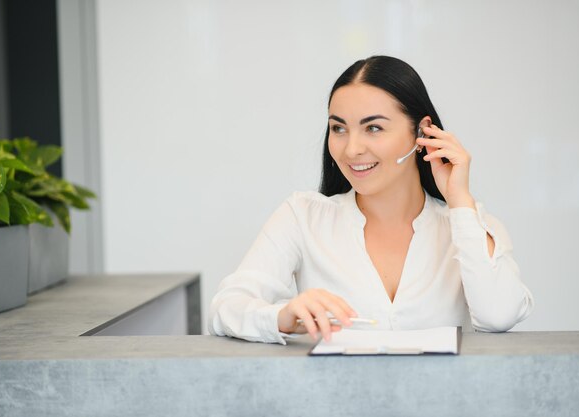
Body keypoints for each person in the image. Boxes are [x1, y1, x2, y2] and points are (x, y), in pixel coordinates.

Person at [209, 55, 534, 344]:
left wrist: (459, 199)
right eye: (338, 129)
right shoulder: (303, 216)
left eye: (373, 128)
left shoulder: (469, 226)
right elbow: (225, 309)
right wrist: (284, 317)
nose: (351, 149)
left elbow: (499, 315)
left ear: (422, 132)